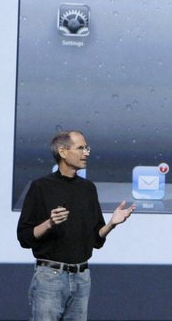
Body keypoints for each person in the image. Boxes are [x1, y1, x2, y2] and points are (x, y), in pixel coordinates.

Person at [17, 131, 135, 320]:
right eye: (81, 148)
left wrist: (112, 224)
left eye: (87, 148)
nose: (86, 152)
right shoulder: (40, 187)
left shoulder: (88, 188)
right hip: (50, 278)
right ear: (63, 152)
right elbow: (24, 237)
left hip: (82, 277)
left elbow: (96, 240)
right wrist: (49, 223)